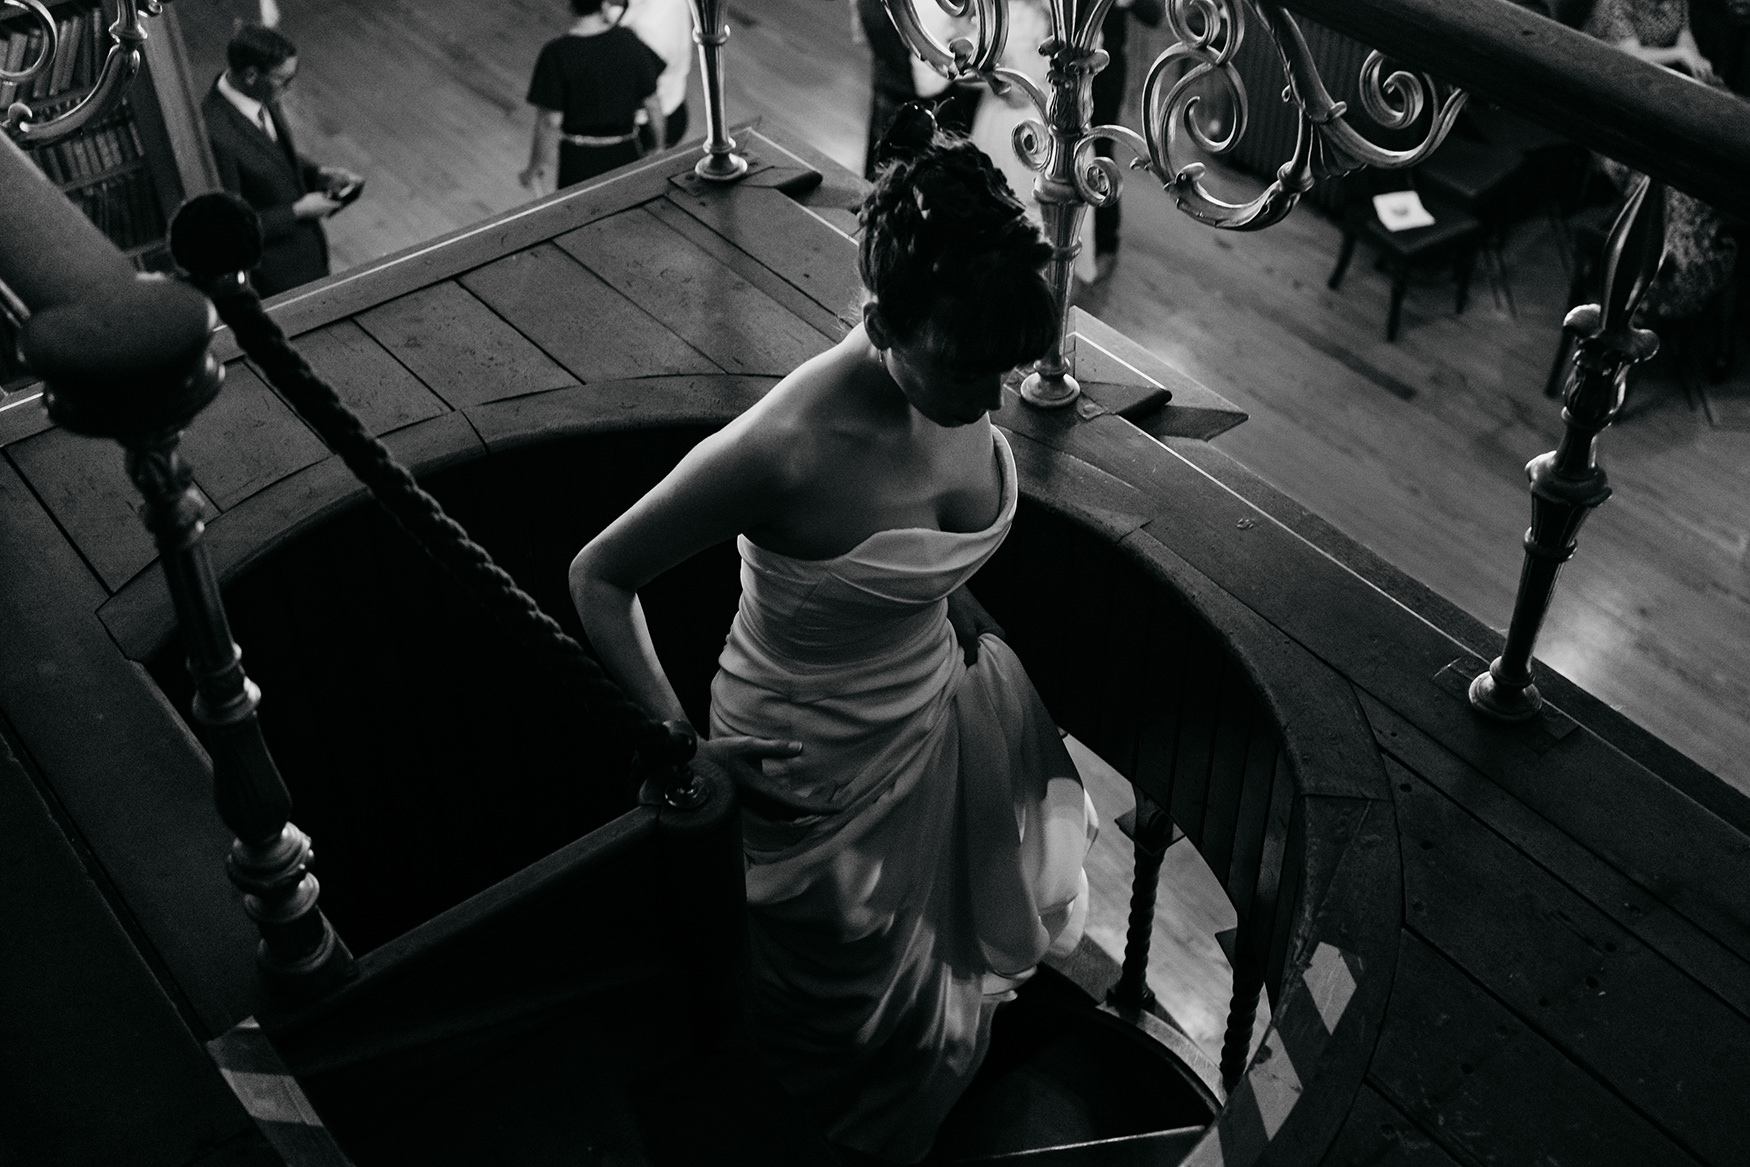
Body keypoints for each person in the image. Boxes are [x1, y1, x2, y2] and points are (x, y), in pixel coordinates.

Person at [569, 113, 1094, 1164]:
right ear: (882, 324)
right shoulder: (786, 449)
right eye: (963, 374)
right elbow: (599, 576)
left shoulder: (961, 360)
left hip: (936, 714)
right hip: (806, 758)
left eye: (1002, 370)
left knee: (936, 976)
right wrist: (678, 745)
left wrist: (944, 604)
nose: (986, 402)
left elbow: (919, 546)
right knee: (841, 996)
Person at [1583, 0, 1739, 322]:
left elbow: (1683, 34)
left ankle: (1692, 249)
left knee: (1707, 151)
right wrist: (1680, 57)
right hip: (1617, 106)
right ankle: (1654, 276)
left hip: (1661, 93)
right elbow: (1630, 54)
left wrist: (1693, 59)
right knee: (1671, 170)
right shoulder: (1615, 4)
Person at [202, 24, 363, 297]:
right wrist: (298, 211)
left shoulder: (262, 94)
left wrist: (317, 174)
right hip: (275, 277)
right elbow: (232, 230)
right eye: (284, 79)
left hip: (308, 255)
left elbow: (271, 156)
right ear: (251, 75)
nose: (290, 87)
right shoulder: (214, 133)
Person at [520, 0, 666, 192]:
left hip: (579, 160)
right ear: (604, 5)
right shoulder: (628, 40)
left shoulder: (556, 53)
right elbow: (653, 103)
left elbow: (550, 122)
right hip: (626, 151)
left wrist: (533, 169)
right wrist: (658, 147)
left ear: (570, 6)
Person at [1089, 0, 1165, 284]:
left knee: (1100, 149)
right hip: (1059, 62)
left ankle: (1106, 241)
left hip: (1105, 72)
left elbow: (1154, 14)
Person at [624, 0, 694, 150]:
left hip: (648, 127)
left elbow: (648, 99)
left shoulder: (649, 27)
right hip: (671, 105)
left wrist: (658, 149)